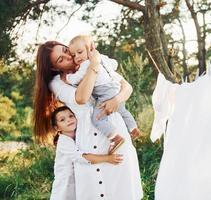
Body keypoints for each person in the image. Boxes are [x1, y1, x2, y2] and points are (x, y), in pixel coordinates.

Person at [34, 40, 143, 199]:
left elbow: (127, 87)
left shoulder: (87, 60)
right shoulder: (57, 83)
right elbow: (82, 98)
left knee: (123, 188)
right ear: (53, 68)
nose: (68, 56)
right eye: (60, 59)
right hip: (89, 138)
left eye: (65, 50)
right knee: (96, 189)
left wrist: (116, 100)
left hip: (114, 131)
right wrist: (94, 64)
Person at [65, 35, 140, 154]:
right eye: (74, 55)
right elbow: (114, 64)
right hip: (115, 87)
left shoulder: (86, 64)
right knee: (122, 110)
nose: (77, 57)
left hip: (105, 91)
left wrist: (67, 78)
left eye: (80, 52)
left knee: (97, 118)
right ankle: (132, 127)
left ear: (90, 49)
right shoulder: (102, 57)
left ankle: (115, 138)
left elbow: (76, 79)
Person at [50, 106, 123, 200]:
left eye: (71, 116)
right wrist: (108, 158)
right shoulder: (63, 141)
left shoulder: (79, 136)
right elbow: (82, 157)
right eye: (62, 120)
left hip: (77, 182)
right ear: (57, 128)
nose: (68, 120)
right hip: (64, 183)